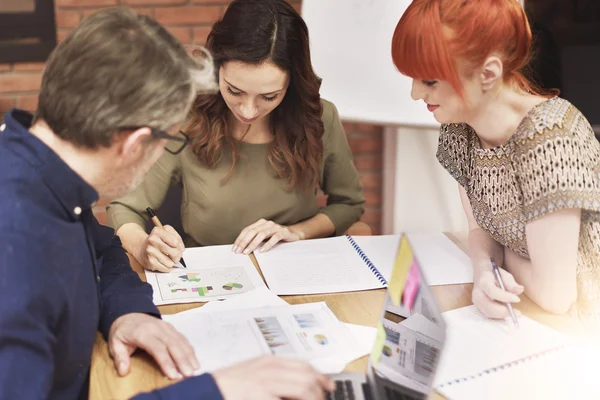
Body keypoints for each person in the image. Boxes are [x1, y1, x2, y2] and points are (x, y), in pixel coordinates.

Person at [0, 7, 333, 400]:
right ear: (135, 143)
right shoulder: (17, 257)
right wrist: (221, 389)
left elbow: (103, 250)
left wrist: (127, 312)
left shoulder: (40, 174)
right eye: (167, 142)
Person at [106, 0, 366, 273]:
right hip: (208, 277)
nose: (248, 111)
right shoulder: (185, 118)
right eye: (234, 90)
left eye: (269, 96)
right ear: (217, 67)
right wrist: (143, 246)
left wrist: (296, 232)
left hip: (294, 273)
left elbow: (349, 204)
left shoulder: (320, 118)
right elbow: (125, 206)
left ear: (292, 83)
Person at [390, 0, 600, 320]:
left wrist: (499, 259)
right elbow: (481, 231)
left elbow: (556, 294)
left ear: (488, 73)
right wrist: (485, 271)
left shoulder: (550, 139)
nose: (415, 94)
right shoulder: (461, 130)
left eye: (429, 81)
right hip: (534, 317)